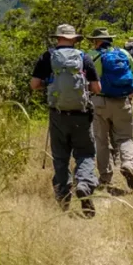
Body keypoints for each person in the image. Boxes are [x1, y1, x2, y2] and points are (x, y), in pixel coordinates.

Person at [31, 24, 101, 217]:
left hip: (58, 114)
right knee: (85, 154)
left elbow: (34, 84)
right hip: (81, 114)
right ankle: (85, 185)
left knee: (60, 157)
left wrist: (50, 84)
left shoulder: (48, 57)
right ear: (73, 39)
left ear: (58, 38)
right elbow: (96, 88)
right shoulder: (83, 57)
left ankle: (63, 197)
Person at [86, 28, 133, 191]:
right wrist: (130, 90)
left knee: (101, 140)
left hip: (99, 102)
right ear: (110, 40)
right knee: (125, 137)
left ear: (96, 41)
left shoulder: (90, 56)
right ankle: (128, 165)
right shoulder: (123, 53)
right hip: (122, 101)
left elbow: (84, 80)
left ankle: (105, 177)